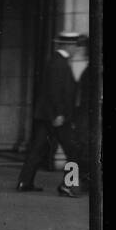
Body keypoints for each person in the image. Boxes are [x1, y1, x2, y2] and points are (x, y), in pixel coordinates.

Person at [16, 31, 89, 197]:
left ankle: (24, 182)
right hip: (57, 116)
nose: (77, 50)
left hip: (47, 115)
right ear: (68, 45)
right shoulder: (59, 63)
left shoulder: (57, 61)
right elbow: (55, 92)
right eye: (75, 46)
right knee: (73, 150)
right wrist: (59, 114)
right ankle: (68, 186)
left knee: (37, 149)